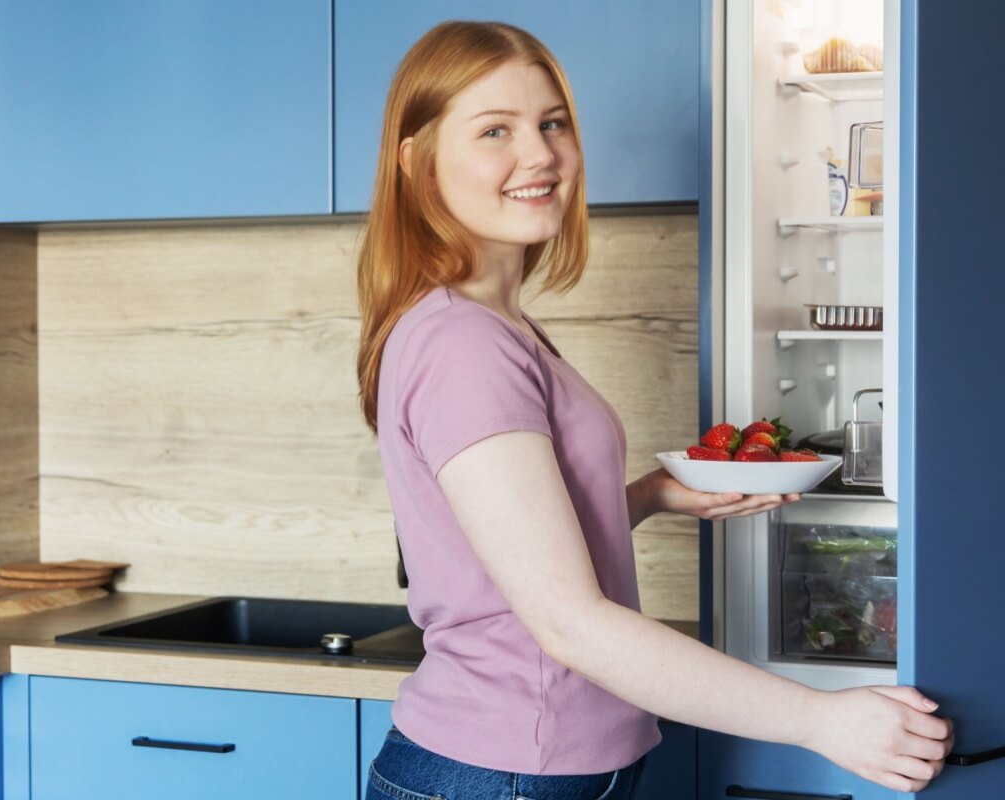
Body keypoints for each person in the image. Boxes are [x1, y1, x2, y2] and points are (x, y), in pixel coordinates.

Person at [354, 20, 955, 800]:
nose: (538, 154)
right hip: (497, 773)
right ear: (417, 161)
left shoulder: (491, 325)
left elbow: (514, 557)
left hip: (527, 770)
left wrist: (654, 496)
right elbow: (566, 621)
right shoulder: (462, 343)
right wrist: (822, 720)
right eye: (495, 130)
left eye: (552, 123)